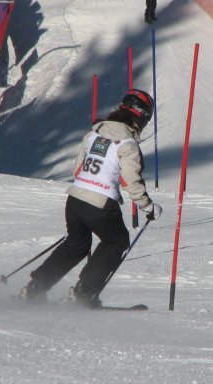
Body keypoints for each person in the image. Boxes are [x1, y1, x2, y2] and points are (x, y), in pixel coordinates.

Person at [19, 90, 162, 308]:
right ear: (141, 117)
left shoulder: (93, 134)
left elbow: (78, 169)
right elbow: (131, 181)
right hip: (100, 203)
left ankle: (35, 288)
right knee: (116, 241)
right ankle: (84, 294)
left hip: (75, 199)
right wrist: (148, 206)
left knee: (76, 245)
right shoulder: (127, 144)